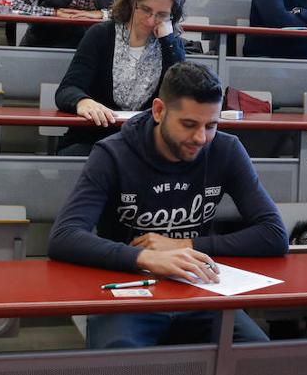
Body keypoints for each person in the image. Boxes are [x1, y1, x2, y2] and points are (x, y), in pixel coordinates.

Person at [48, 62, 288, 356]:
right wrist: (145, 258)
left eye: (211, 126)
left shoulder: (227, 149)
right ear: (159, 111)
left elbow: (274, 234)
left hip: (199, 287)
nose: (201, 138)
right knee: (115, 371)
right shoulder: (113, 153)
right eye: (189, 125)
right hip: (130, 289)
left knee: (260, 358)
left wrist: (184, 244)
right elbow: (64, 236)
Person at [52, 0, 186, 155]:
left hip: (146, 143)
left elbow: (182, 96)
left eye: (161, 15)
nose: (150, 20)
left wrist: (168, 42)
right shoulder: (101, 35)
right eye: (145, 10)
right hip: (95, 138)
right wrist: (82, 102)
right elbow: (67, 90)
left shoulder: (172, 46)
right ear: (132, 2)